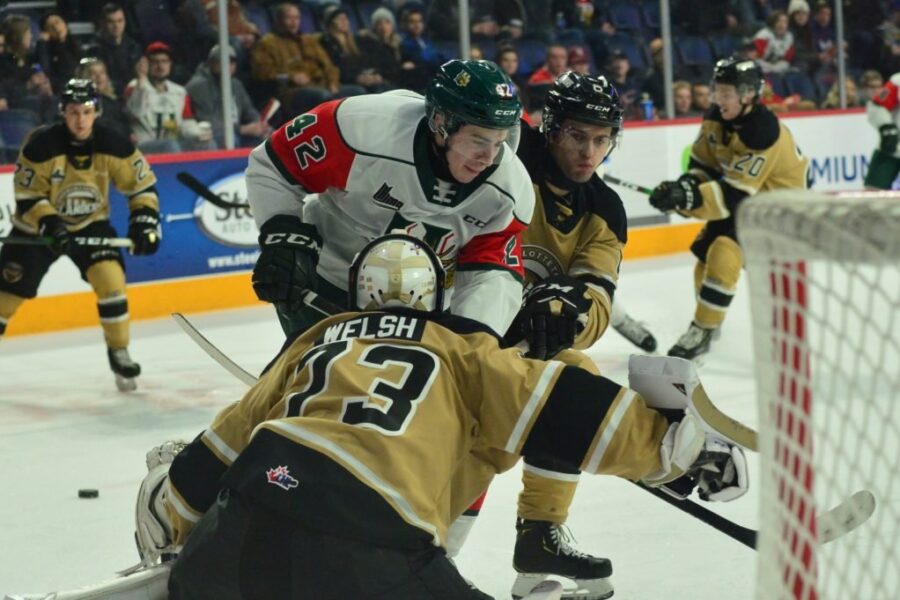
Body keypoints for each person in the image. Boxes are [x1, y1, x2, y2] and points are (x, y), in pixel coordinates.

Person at [134, 233, 748, 598]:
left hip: (238, 527)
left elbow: (211, 457)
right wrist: (681, 452)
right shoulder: (461, 346)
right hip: (370, 548)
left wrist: (172, 513)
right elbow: (561, 405)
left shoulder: (318, 338)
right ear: (435, 297)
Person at [245, 58, 534, 342]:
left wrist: (473, 340)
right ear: (441, 122)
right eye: (478, 139)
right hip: (326, 284)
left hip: (424, 308)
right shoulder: (359, 128)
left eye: (499, 141)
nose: (489, 157)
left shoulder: (508, 188)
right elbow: (274, 164)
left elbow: (491, 273)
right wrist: (282, 236)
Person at [0, 79, 161, 391]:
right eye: (73, 112)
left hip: (91, 224)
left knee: (111, 281)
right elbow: (27, 196)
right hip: (37, 230)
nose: (80, 119)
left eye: (86, 111)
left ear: (96, 111)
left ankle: (119, 352)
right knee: (4, 299)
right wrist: (52, 224)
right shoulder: (40, 145)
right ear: (63, 111)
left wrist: (144, 223)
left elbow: (141, 186)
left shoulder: (114, 143)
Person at [648, 57, 809, 359]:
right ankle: (710, 325)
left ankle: (703, 328)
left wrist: (688, 199)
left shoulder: (763, 130)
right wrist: (683, 188)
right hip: (750, 202)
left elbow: (734, 194)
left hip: (779, 209)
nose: (717, 99)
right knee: (705, 259)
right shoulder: (716, 118)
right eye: (717, 91)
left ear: (748, 95)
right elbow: (702, 166)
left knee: (724, 249)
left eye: (726, 93)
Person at [124, 41, 214, 153]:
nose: (160, 66)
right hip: (144, 145)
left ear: (170, 64)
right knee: (170, 146)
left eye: (164, 61)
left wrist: (198, 133)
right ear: (147, 64)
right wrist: (141, 80)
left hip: (173, 141)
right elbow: (135, 112)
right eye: (155, 62)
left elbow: (186, 122)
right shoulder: (134, 86)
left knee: (208, 143)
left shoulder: (179, 91)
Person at [185, 44, 270, 148]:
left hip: (238, 131)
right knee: (230, 139)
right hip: (212, 134)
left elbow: (248, 110)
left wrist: (259, 123)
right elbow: (209, 121)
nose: (227, 65)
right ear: (211, 62)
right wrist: (242, 129)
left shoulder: (235, 84)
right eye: (221, 61)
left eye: (232, 61)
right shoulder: (198, 86)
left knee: (268, 139)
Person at [863, 71, 900, 189]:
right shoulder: (897, 81)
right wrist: (887, 128)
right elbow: (877, 105)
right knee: (872, 192)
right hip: (894, 148)